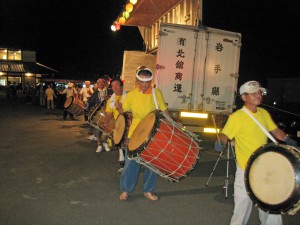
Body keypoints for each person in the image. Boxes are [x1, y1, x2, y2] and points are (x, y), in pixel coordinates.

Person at [214, 80, 298, 225]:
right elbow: (225, 134)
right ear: (244, 97)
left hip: (265, 169)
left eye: (259, 92)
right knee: (241, 209)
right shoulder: (237, 117)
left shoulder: (264, 113)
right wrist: (220, 143)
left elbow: (275, 131)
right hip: (245, 170)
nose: (258, 95)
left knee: (271, 207)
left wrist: (288, 140)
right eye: (253, 93)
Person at [115, 66, 170, 201]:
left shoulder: (156, 94)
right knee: (130, 165)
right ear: (137, 81)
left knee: (152, 165)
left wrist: (174, 124)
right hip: (134, 134)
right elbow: (123, 113)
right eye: (142, 81)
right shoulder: (131, 94)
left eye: (147, 82)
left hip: (153, 134)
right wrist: (119, 107)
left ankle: (148, 190)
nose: (144, 85)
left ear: (151, 81)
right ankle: (126, 190)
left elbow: (164, 111)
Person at [105, 78, 127, 173]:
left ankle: (129, 163)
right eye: (113, 86)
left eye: (117, 85)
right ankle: (123, 164)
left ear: (122, 86)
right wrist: (107, 119)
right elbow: (109, 114)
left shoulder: (129, 96)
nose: (115, 87)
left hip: (130, 122)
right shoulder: (110, 100)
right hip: (119, 125)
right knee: (120, 145)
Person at [87, 77, 112, 152]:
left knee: (107, 129)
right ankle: (99, 145)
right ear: (97, 84)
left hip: (108, 114)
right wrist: (87, 105)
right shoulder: (95, 93)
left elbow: (115, 98)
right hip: (98, 114)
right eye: (99, 83)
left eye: (102, 82)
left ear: (105, 83)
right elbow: (90, 102)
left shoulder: (110, 92)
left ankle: (105, 142)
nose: (101, 84)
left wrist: (109, 97)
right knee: (97, 129)